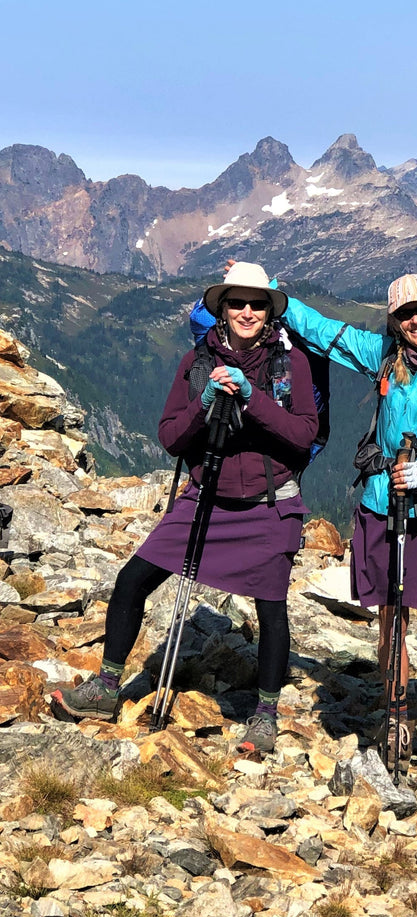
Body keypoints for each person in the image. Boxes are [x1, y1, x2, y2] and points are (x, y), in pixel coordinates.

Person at [52, 262, 318, 754]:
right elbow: (171, 437)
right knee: (133, 578)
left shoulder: (289, 365)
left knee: (271, 607)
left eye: (257, 304)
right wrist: (207, 401)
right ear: (220, 308)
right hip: (205, 497)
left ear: (268, 312)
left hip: (268, 504)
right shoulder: (197, 362)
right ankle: (107, 689)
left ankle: (265, 715)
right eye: (236, 302)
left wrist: (252, 397)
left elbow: (304, 436)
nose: (246, 311)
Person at [280, 273, 417, 793]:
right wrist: (274, 294)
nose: (416, 320)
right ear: (393, 320)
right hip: (381, 506)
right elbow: (323, 331)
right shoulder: (384, 356)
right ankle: (397, 720)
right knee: (391, 621)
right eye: (404, 314)